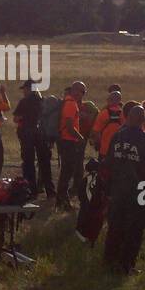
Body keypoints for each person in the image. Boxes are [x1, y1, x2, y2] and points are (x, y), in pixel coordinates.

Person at [101, 104, 145, 274]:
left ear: (127, 118)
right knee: (136, 228)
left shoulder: (117, 136)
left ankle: (109, 260)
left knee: (115, 226)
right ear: (143, 121)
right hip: (139, 190)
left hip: (118, 190)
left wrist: (108, 190)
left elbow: (108, 164)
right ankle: (126, 265)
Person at [13, 79, 53, 199]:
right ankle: (50, 191)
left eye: (24, 89)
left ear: (29, 89)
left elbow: (16, 118)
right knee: (45, 163)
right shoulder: (43, 101)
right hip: (41, 133)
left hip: (27, 134)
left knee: (28, 163)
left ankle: (31, 191)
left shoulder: (24, 102)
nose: (23, 91)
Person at [55, 81, 88, 210]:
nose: (82, 95)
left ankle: (61, 200)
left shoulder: (67, 101)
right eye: (82, 91)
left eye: (84, 92)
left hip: (65, 140)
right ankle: (63, 201)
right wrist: (80, 138)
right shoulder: (71, 104)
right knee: (66, 173)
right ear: (75, 90)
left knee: (66, 172)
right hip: (68, 141)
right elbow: (69, 126)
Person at [91, 90, 124, 156]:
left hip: (104, 150)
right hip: (119, 151)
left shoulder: (103, 113)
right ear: (119, 100)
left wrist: (98, 144)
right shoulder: (123, 114)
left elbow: (96, 131)